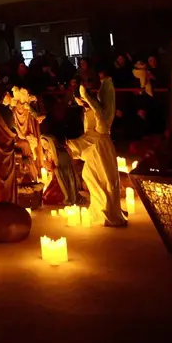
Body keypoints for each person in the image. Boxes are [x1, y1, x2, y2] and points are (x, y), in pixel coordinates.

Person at [69, 67, 127, 227]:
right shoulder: (88, 108)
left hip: (100, 146)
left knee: (105, 179)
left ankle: (109, 211)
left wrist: (90, 102)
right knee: (91, 177)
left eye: (79, 99)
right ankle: (100, 208)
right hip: (92, 146)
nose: (78, 102)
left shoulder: (98, 109)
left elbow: (101, 129)